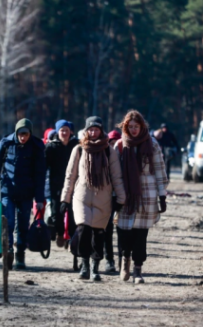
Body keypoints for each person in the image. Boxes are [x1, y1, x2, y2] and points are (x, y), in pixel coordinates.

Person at [61, 116, 126, 281]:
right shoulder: (79, 149)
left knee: (98, 233)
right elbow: (70, 176)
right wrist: (65, 199)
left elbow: (116, 177)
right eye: (90, 129)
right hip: (82, 196)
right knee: (83, 229)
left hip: (102, 198)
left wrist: (120, 198)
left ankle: (95, 268)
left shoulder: (108, 151)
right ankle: (85, 265)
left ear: (101, 130)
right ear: (86, 130)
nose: (93, 132)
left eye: (96, 129)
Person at [115, 110, 168, 284]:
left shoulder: (151, 144)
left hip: (147, 195)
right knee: (124, 232)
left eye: (136, 126)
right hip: (126, 195)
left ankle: (138, 269)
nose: (133, 130)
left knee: (140, 235)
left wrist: (162, 196)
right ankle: (125, 263)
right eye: (130, 127)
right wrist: (115, 196)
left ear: (142, 126)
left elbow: (160, 170)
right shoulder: (120, 145)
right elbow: (114, 174)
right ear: (125, 127)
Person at [0, 118, 46, 270]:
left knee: (22, 225)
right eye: (21, 134)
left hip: (26, 193)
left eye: (26, 134)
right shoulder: (6, 143)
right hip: (8, 191)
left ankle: (20, 255)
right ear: (16, 132)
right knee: (8, 222)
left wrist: (39, 198)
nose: (23, 137)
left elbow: (40, 174)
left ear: (30, 133)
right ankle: (8, 252)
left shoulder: (36, 147)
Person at [45, 120, 79, 248]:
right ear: (58, 131)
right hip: (56, 185)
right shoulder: (51, 147)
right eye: (61, 130)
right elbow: (44, 167)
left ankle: (72, 236)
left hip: (74, 185)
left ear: (71, 132)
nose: (64, 132)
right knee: (56, 214)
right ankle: (60, 233)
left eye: (66, 130)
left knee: (72, 213)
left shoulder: (77, 145)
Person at [103, 129, 122, 274]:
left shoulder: (126, 153)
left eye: (116, 142)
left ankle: (123, 258)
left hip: (122, 196)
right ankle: (109, 259)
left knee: (122, 230)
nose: (114, 145)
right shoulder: (104, 154)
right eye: (111, 142)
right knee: (107, 229)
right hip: (107, 196)